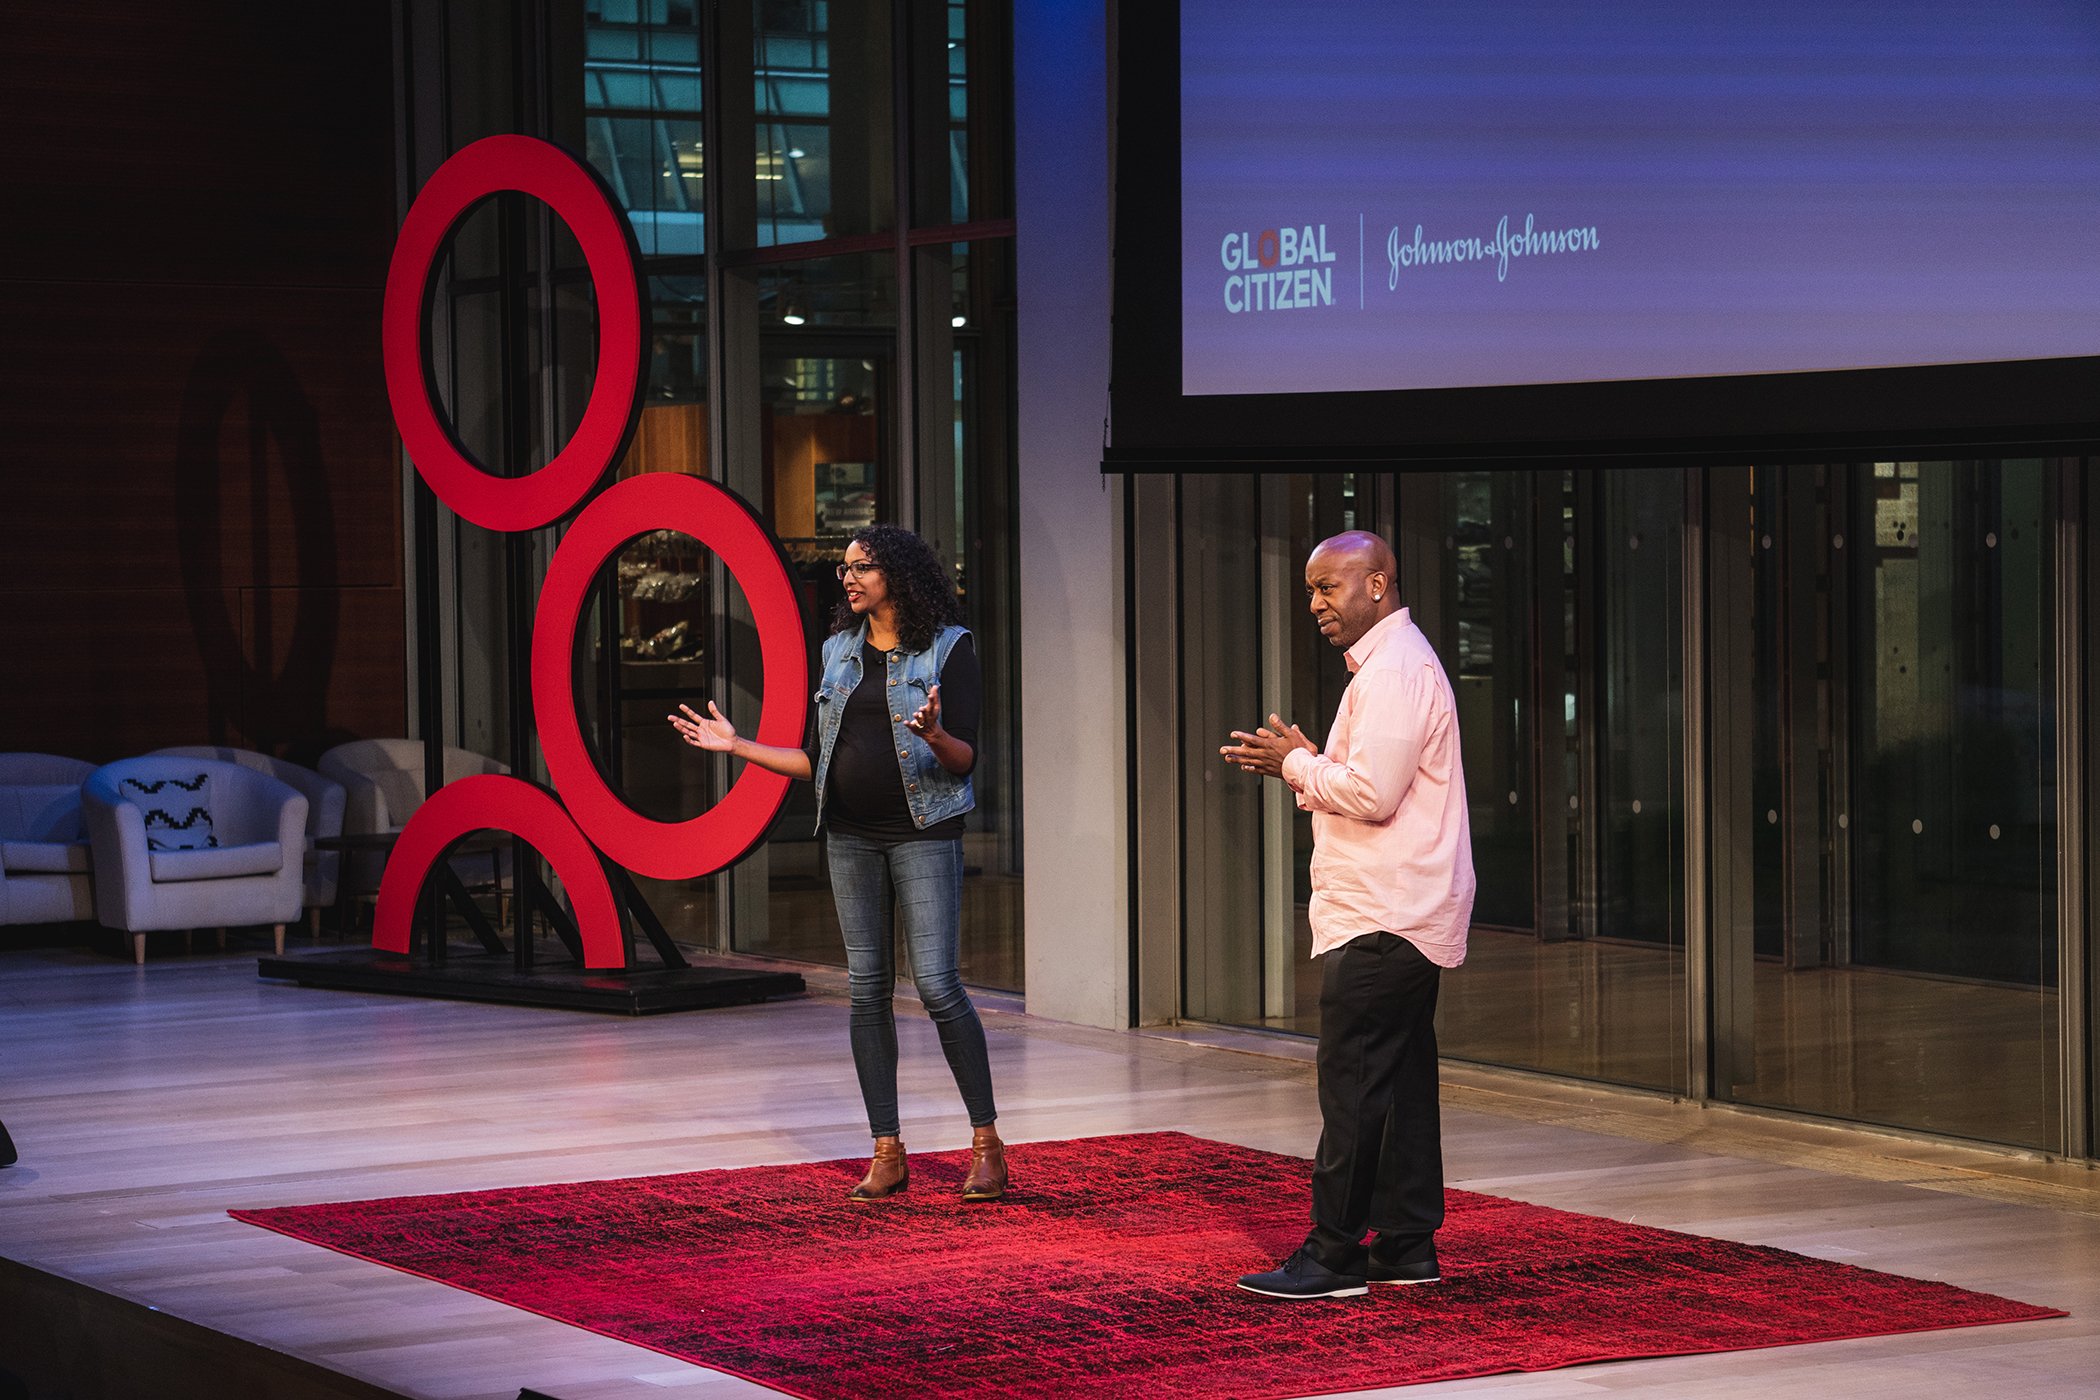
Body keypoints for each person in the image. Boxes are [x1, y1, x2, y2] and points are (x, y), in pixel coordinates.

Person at [669, 523, 1007, 1204]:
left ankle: (987, 1143)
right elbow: (813, 762)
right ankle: (887, 1149)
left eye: (861, 566)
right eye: (843, 568)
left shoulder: (949, 648)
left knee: (938, 986)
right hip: (849, 836)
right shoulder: (836, 653)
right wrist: (738, 746)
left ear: (899, 574)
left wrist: (936, 734)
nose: (846, 578)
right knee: (866, 988)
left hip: (924, 833)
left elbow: (965, 758)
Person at [1219, 530, 1474, 1300]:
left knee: (1356, 1085)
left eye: (1329, 587)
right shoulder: (1386, 668)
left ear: (1379, 585)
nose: (1316, 605)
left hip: (1385, 913)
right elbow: (1364, 782)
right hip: (1393, 909)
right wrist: (1308, 764)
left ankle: (1332, 1256)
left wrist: (1294, 763)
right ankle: (1403, 1246)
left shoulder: (1396, 671)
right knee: (1397, 1085)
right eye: (1310, 590)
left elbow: (1372, 794)